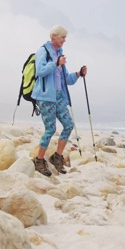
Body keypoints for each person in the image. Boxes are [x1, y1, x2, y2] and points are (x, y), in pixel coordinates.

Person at [31, 25, 87, 176]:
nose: (64, 40)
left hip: (58, 96)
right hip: (45, 97)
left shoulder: (60, 53)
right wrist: (55, 63)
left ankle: (57, 157)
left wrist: (78, 74)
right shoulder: (43, 51)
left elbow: (66, 79)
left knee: (68, 125)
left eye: (65, 38)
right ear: (54, 36)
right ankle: (39, 161)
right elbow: (40, 71)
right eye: (62, 37)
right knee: (50, 129)